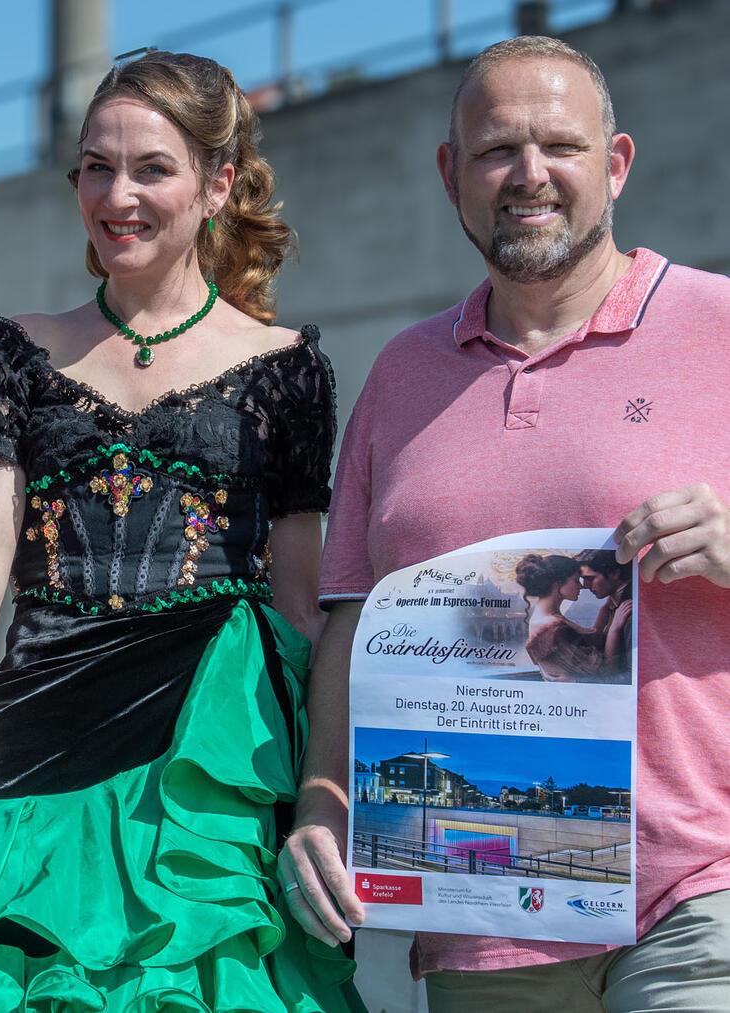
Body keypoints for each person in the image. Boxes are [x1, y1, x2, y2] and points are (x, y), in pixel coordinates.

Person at [0, 51, 363, 1012]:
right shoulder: (19, 351)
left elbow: (302, 603)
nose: (117, 195)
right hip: (28, 722)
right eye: (96, 167)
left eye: (151, 169)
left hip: (211, 750)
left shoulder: (288, 368)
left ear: (216, 186)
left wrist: (310, 789)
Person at [282, 35, 730, 1013]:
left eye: (559, 146)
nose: (529, 174)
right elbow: (353, 618)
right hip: (477, 906)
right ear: (452, 176)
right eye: (496, 150)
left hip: (695, 890)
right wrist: (324, 797)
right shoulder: (402, 374)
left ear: (615, 164)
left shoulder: (719, 327)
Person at [515, 553, 630, 681]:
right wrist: (614, 629)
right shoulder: (552, 628)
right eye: (576, 580)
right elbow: (607, 672)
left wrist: (604, 610)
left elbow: (589, 639)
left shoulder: (548, 618)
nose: (581, 586)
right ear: (558, 584)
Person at [576, 548, 633, 656]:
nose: (585, 585)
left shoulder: (629, 609)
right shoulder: (611, 604)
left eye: (590, 579)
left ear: (614, 573)